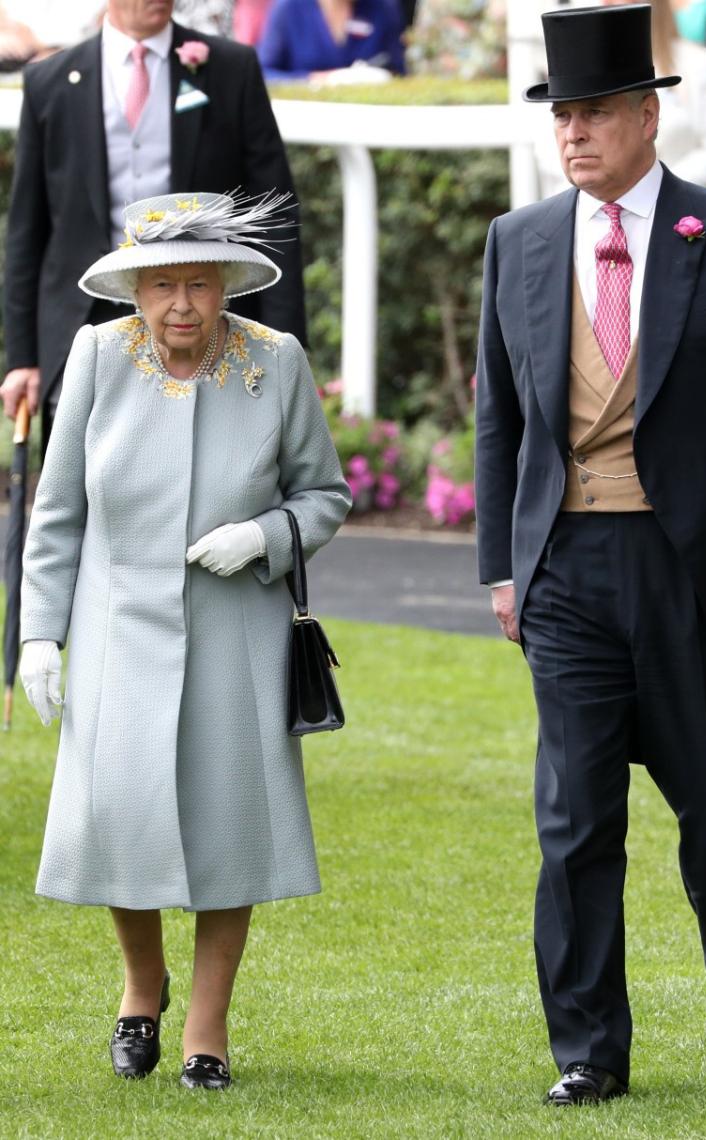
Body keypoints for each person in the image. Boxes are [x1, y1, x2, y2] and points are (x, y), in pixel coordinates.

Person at [475, 3, 706, 1107]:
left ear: (646, 116)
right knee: (576, 819)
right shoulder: (519, 242)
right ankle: (588, 1050)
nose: (573, 135)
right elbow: (500, 417)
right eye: (560, 116)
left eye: (592, 114)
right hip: (567, 572)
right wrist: (502, 564)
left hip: (700, 571)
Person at [18, 190, 351, 1090]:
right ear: (134, 291)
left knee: (227, 822)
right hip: (116, 620)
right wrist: (39, 635)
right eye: (161, 285)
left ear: (225, 287)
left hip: (234, 626)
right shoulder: (97, 354)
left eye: (198, 285)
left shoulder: (274, 361)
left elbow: (324, 494)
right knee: (117, 809)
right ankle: (140, 988)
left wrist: (266, 537)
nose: (180, 307)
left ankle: (208, 1026)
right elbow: (57, 513)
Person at [0, 0, 307, 460]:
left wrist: (287, 348)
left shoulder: (230, 68)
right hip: (80, 327)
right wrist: (23, 358)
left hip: (202, 319)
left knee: (203, 483)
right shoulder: (50, 82)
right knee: (80, 493)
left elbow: (275, 213)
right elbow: (28, 228)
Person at [537, 0, 706, 195]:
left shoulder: (693, 62)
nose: (618, 4)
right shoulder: (573, 68)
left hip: (680, 205)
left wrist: (655, 187)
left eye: (595, 112)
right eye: (562, 115)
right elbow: (548, 151)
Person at [257, 0, 405, 82]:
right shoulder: (289, 8)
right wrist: (316, 80)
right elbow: (264, 74)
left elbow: (399, 73)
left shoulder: (382, 8)